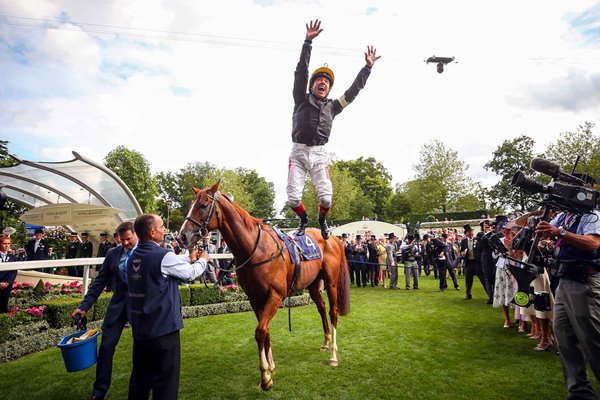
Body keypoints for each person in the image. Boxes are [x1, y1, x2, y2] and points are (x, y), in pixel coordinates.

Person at [286, 19, 381, 239]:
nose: (323, 83)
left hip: (319, 154)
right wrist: (307, 43)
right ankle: (303, 220)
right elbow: (301, 72)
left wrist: (367, 67)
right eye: (319, 80)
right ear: (312, 85)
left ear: (329, 88)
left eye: (326, 82)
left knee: (327, 199)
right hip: (298, 153)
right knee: (292, 199)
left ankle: (322, 220)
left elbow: (354, 91)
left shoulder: (334, 106)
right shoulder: (300, 98)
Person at [126, 214, 209, 400]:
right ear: (152, 232)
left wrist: (188, 258)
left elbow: (164, 267)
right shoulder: (163, 255)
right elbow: (188, 274)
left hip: (141, 330)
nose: (164, 230)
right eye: (161, 226)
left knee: (140, 380)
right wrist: (203, 260)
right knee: (165, 383)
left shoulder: (133, 257)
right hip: (163, 330)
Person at [536, 204, 600, 399]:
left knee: (593, 340)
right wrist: (542, 234)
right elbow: (548, 233)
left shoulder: (593, 214)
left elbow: (593, 243)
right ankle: (579, 393)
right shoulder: (565, 215)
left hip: (585, 280)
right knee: (565, 339)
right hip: (564, 280)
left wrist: (560, 233)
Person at [71, 222, 138, 400]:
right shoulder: (112, 253)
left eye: (128, 239)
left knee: (142, 350)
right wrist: (84, 306)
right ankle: (98, 392)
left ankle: (141, 390)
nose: (124, 243)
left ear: (136, 235)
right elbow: (100, 282)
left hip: (140, 309)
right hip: (117, 307)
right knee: (106, 348)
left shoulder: (146, 252)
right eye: (121, 240)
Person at [460, 224, 487, 300]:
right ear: (465, 233)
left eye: (471, 231)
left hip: (477, 263)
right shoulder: (464, 241)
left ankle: (490, 294)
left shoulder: (477, 240)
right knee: (468, 280)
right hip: (468, 262)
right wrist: (463, 253)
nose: (471, 233)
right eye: (469, 232)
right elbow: (461, 251)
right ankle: (468, 294)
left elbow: (482, 250)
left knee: (482, 278)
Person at [0, 234, 17, 313]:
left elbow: (13, 272)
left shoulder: (12, 257)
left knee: (4, 305)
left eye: (8, 243)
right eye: (4, 243)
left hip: (7, 285)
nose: (7, 246)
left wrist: (7, 282)